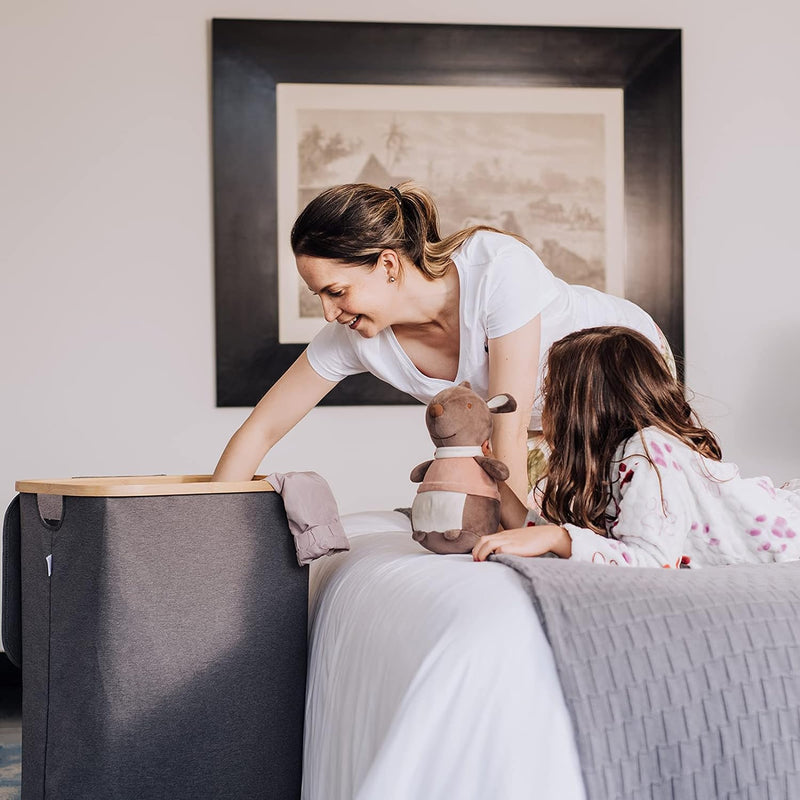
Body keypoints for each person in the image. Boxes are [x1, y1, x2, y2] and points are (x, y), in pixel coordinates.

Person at [212, 182, 669, 503]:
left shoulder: (495, 269)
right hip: (545, 424)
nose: (330, 313)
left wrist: (520, 543)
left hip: (628, 375)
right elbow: (260, 430)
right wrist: (211, 532)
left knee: (649, 510)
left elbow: (503, 429)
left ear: (388, 265)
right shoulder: (354, 337)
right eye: (320, 297)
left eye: (336, 291)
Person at [472, 326, 800, 567]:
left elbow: (654, 562)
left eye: (551, 397)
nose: (543, 411)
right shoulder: (609, 465)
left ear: (582, 410)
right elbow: (547, 538)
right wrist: (495, 485)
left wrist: (560, 539)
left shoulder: (648, 454)